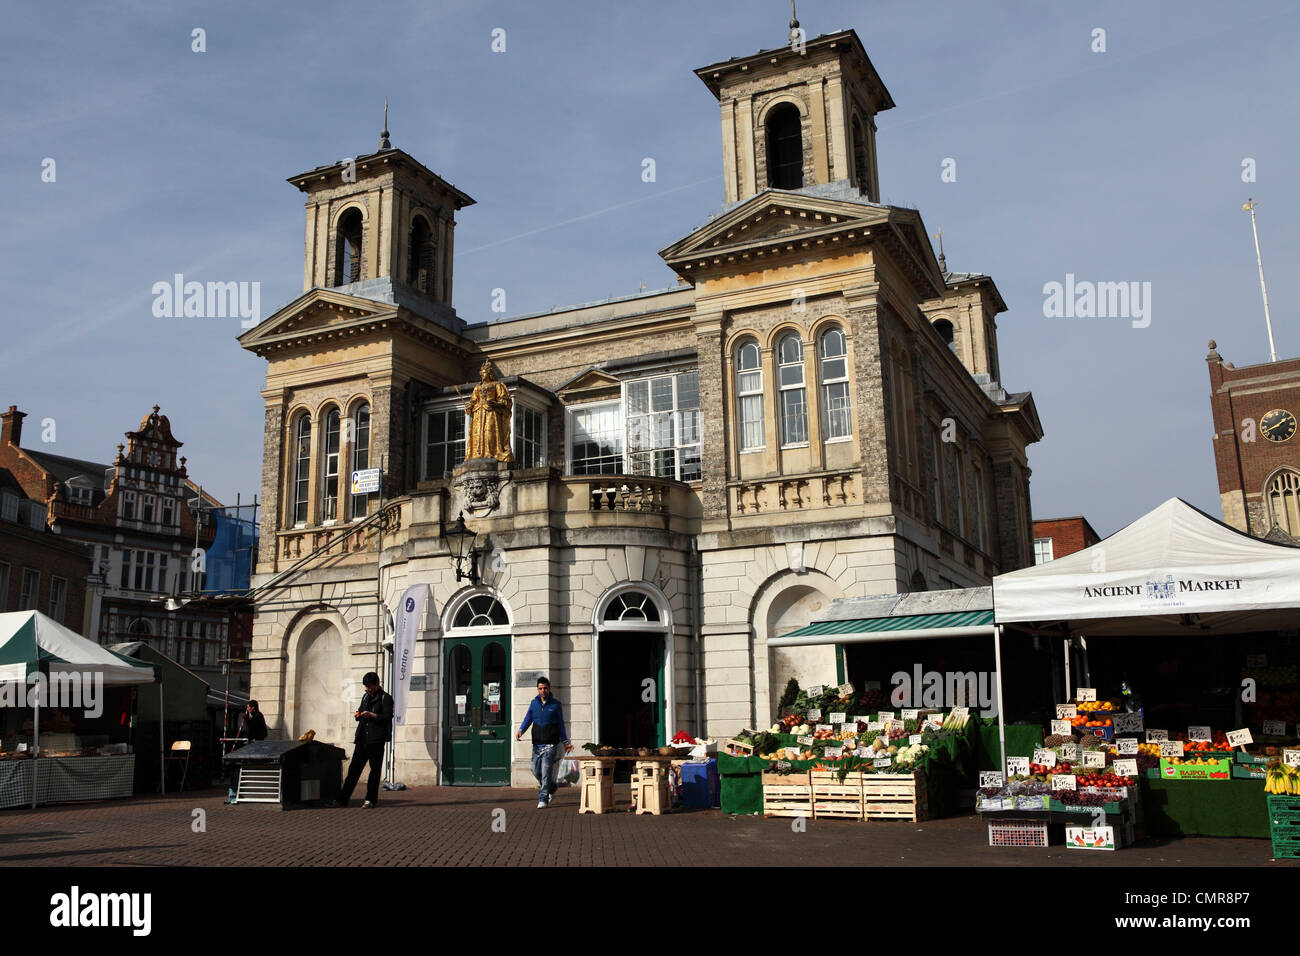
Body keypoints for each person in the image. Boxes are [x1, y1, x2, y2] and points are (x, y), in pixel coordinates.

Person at [328, 672, 393, 809]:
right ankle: (342, 799)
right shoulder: (365, 697)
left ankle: (370, 800)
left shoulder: (385, 698)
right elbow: (359, 712)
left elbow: (387, 717)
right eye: (366, 687)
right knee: (353, 771)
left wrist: (372, 715)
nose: (368, 689)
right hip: (362, 738)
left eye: (370, 687)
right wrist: (359, 715)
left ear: (377, 684)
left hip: (376, 739)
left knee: (374, 771)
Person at [515, 677, 573, 808]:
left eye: (545, 688)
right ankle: (551, 787)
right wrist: (521, 730)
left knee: (546, 772)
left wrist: (566, 742)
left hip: (551, 744)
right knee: (535, 770)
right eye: (540, 688)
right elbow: (528, 719)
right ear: (537, 689)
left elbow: (561, 725)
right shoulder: (533, 703)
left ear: (549, 688)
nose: (543, 691)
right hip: (537, 744)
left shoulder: (555, 705)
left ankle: (543, 798)